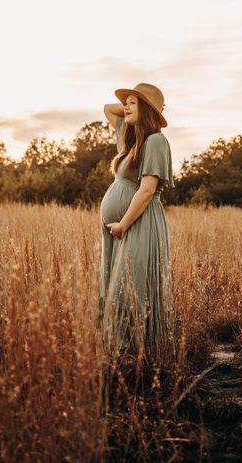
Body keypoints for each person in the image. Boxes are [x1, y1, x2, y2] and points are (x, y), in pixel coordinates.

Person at [98, 82, 175, 366]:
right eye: (127, 102)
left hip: (137, 223)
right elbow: (109, 109)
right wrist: (135, 106)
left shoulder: (156, 141)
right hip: (121, 226)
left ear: (147, 110)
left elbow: (146, 192)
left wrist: (122, 225)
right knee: (118, 285)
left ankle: (141, 357)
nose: (126, 106)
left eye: (133, 102)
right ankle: (122, 356)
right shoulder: (131, 142)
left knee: (129, 287)